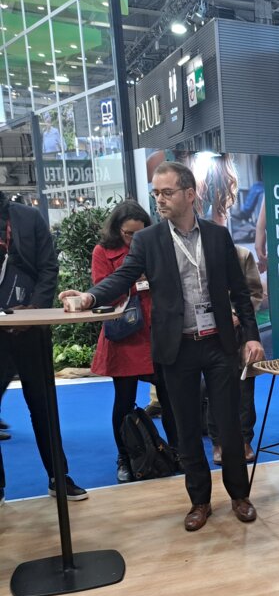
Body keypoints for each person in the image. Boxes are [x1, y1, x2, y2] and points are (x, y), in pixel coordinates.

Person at [59, 161, 264, 531]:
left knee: (229, 427)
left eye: (166, 192)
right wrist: (90, 297)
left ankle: (239, 494)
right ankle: (199, 501)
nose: (159, 200)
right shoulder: (148, 240)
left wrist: (250, 335)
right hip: (177, 347)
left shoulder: (218, 236)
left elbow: (240, 293)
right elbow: (122, 278)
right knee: (186, 428)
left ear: (189, 194)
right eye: (156, 193)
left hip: (219, 344)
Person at [0, 190, 87, 503]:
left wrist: (34, 311)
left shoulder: (27, 217)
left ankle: (58, 476)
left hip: (30, 328)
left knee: (43, 405)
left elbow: (48, 268)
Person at [90, 201, 178, 482]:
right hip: (124, 335)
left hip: (157, 331)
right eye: (129, 234)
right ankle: (125, 457)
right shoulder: (102, 252)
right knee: (124, 400)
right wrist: (132, 279)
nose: (134, 239)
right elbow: (103, 292)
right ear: (118, 230)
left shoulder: (157, 245)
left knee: (170, 398)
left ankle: (177, 452)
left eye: (139, 233)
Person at [209, 245, 264, 464]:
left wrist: (237, 315)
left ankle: (244, 439)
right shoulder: (196, 254)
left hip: (241, 333)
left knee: (244, 387)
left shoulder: (242, 254)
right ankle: (218, 442)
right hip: (208, 333)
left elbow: (255, 293)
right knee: (213, 388)